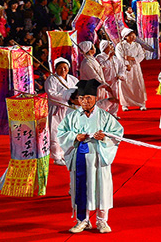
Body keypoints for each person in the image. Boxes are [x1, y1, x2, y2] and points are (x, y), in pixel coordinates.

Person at [57, 79, 124, 234]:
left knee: (101, 187)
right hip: (80, 155)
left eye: (88, 98)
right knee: (82, 187)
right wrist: (75, 137)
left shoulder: (104, 116)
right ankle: (83, 220)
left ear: (95, 98)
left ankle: (102, 220)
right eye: (81, 98)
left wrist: (105, 137)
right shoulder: (72, 116)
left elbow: (118, 133)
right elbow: (61, 132)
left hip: (98, 156)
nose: (84, 101)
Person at [44, 58, 79, 166]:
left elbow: (79, 89)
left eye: (65, 68)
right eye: (60, 68)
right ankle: (56, 156)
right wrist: (67, 96)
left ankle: (65, 153)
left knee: (68, 132)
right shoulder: (51, 79)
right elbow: (51, 94)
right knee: (55, 132)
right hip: (57, 109)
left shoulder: (73, 79)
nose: (63, 70)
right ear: (55, 69)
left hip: (70, 108)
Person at [78, 41, 119, 117]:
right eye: (93, 47)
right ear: (89, 50)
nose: (95, 48)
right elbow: (94, 77)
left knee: (99, 106)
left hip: (98, 87)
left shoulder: (91, 59)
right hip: (92, 88)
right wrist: (105, 85)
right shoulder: (86, 63)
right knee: (95, 107)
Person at [115, 28, 147, 111]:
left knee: (138, 84)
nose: (133, 36)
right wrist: (126, 64)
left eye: (133, 34)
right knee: (125, 85)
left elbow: (141, 56)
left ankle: (141, 103)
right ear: (125, 36)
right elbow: (119, 57)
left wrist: (132, 58)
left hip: (135, 67)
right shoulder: (120, 46)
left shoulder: (137, 45)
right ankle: (125, 104)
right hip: (125, 68)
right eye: (130, 35)